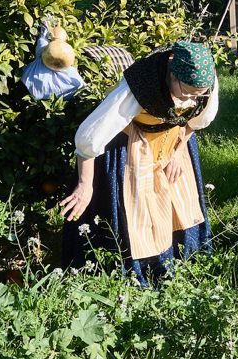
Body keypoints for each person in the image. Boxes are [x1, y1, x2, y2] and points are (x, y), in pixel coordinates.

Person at [59, 40, 219, 277]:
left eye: (200, 94)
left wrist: (176, 152)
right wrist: (85, 185)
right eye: (187, 93)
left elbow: (196, 121)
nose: (192, 101)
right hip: (133, 146)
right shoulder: (139, 86)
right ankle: (138, 273)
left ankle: (181, 261)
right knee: (138, 212)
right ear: (172, 76)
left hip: (173, 141)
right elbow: (89, 138)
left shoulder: (203, 82)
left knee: (178, 201)